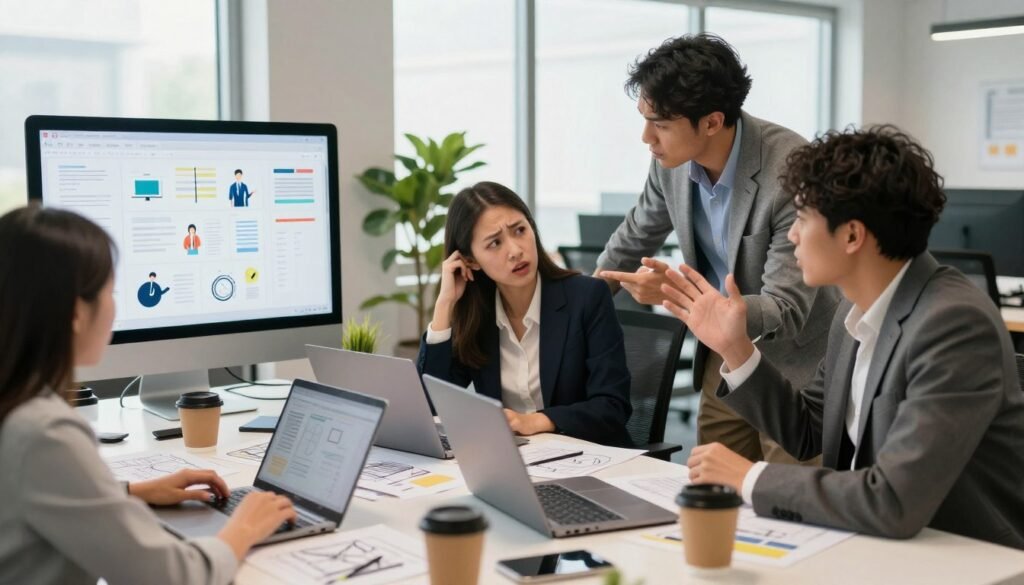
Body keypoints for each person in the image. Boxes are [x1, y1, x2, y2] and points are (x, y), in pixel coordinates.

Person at [668, 126, 1024, 548]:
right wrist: (735, 347)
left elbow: (893, 500)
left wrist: (749, 477)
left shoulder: (952, 325)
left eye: (801, 219)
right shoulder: (850, 315)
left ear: (853, 235)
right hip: (868, 543)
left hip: (963, 558)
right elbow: (806, 431)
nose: (793, 236)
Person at [0, 205, 298, 584]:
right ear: (77, 313)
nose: (115, 307)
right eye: (111, 291)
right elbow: (167, 576)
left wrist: (132, 492)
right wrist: (244, 528)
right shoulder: (44, 432)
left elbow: (32, 494)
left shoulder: (15, 405)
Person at [596, 34, 840, 465]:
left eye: (662, 124)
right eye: (645, 118)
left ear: (711, 122)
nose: (646, 137)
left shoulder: (790, 170)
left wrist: (686, 298)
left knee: (786, 501)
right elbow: (634, 236)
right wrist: (582, 309)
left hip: (798, 364)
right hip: (723, 354)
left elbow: (785, 306)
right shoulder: (669, 161)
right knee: (712, 481)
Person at [417, 181, 633, 446]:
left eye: (519, 230)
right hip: (516, 460)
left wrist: (535, 421)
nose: (515, 250)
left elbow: (612, 407)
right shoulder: (477, 315)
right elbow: (430, 406)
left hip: (592, 458)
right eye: (495, 243)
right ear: (471, 261)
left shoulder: (587, 297)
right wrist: (444, 305)